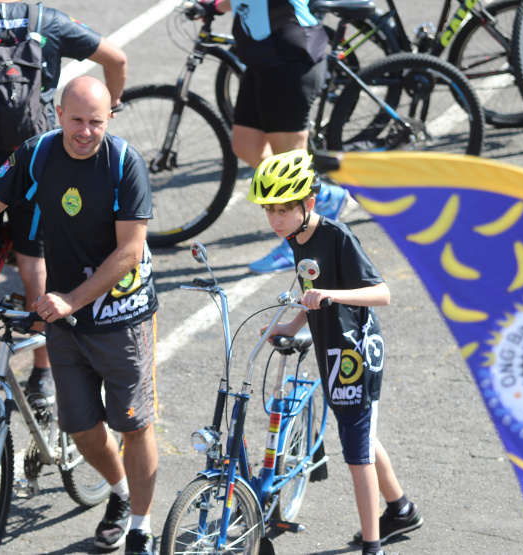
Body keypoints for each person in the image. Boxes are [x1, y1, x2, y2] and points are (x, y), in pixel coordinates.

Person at [0, 76, 159, 555]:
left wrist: (71, 300)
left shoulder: (124, 164)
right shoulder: (36, 154)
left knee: (134, 425)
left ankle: (140, 523)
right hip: (66, 312)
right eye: (76, 119)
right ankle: (119, 493)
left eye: (96, 122)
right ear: (57, 114)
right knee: (79, 428)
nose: (85, 131)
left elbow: (129, 253)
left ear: (109, 120)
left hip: (121, 315)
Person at [0, 0, 128, 399]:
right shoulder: (48, 20)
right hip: (38, 158)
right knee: (35, 265)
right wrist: (111, 107)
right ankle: (41, 374)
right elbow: (116, 59)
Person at [253, 150, 422, 555]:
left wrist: (331, 294)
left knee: (355, 452)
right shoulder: (296, 238)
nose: (275, 220)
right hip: (331, 349)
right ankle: (401, 509)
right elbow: (308, 287)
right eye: (268, 211)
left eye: (282, 210)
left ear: (308, 203)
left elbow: (382, 293)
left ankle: (372, 544)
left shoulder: (339, 237)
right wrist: (291, 326)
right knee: (360, 434)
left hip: (355, 355)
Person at [198, 0, 350, 274]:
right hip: (262, 60)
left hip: (290, 60)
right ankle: (325, 196)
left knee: (289, 163)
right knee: (245, 145)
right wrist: (216, 7)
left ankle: (299, 246)